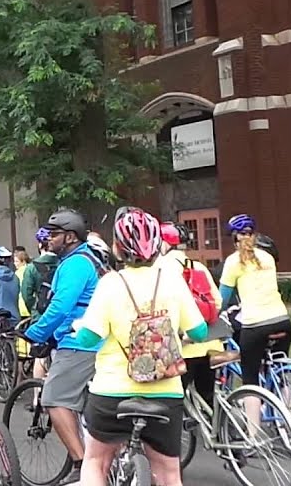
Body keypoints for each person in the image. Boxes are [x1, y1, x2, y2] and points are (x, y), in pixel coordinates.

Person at [75, 208, 208, 486]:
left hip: (111, 394)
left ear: (117, 248)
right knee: (170, 473)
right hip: (166, 393)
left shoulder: (110, 283)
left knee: (95, 461)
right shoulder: (172, 281)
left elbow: (88, 338)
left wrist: (78, 328)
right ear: (158, 247)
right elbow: (199, 330)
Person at [19, 209, 107, 483]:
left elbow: (61, 307)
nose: (48, 239)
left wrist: (35, 332)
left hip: (79, 343)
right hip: (94, 340)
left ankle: (83, 466)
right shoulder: (88, 260)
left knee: (53, 399)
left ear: (70, 237)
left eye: (54, 235)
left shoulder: (75, 264)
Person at [218, 213, 290, 428]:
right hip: (282, 321)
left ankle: (254, 434)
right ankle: (289, 423)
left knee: (250, 379)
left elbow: (222, 300)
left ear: (234, 238)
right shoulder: (267, 257)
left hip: (255, 325)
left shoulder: (233, 262)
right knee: (281, 370)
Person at [157, 220, 222, 406]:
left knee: (174, 399)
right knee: (207, 396)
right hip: (209, 343)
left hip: (182, 347)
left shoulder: (160, 269)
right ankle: (216, 431)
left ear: (165, 243)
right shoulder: (197, 266)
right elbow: (217, 302)